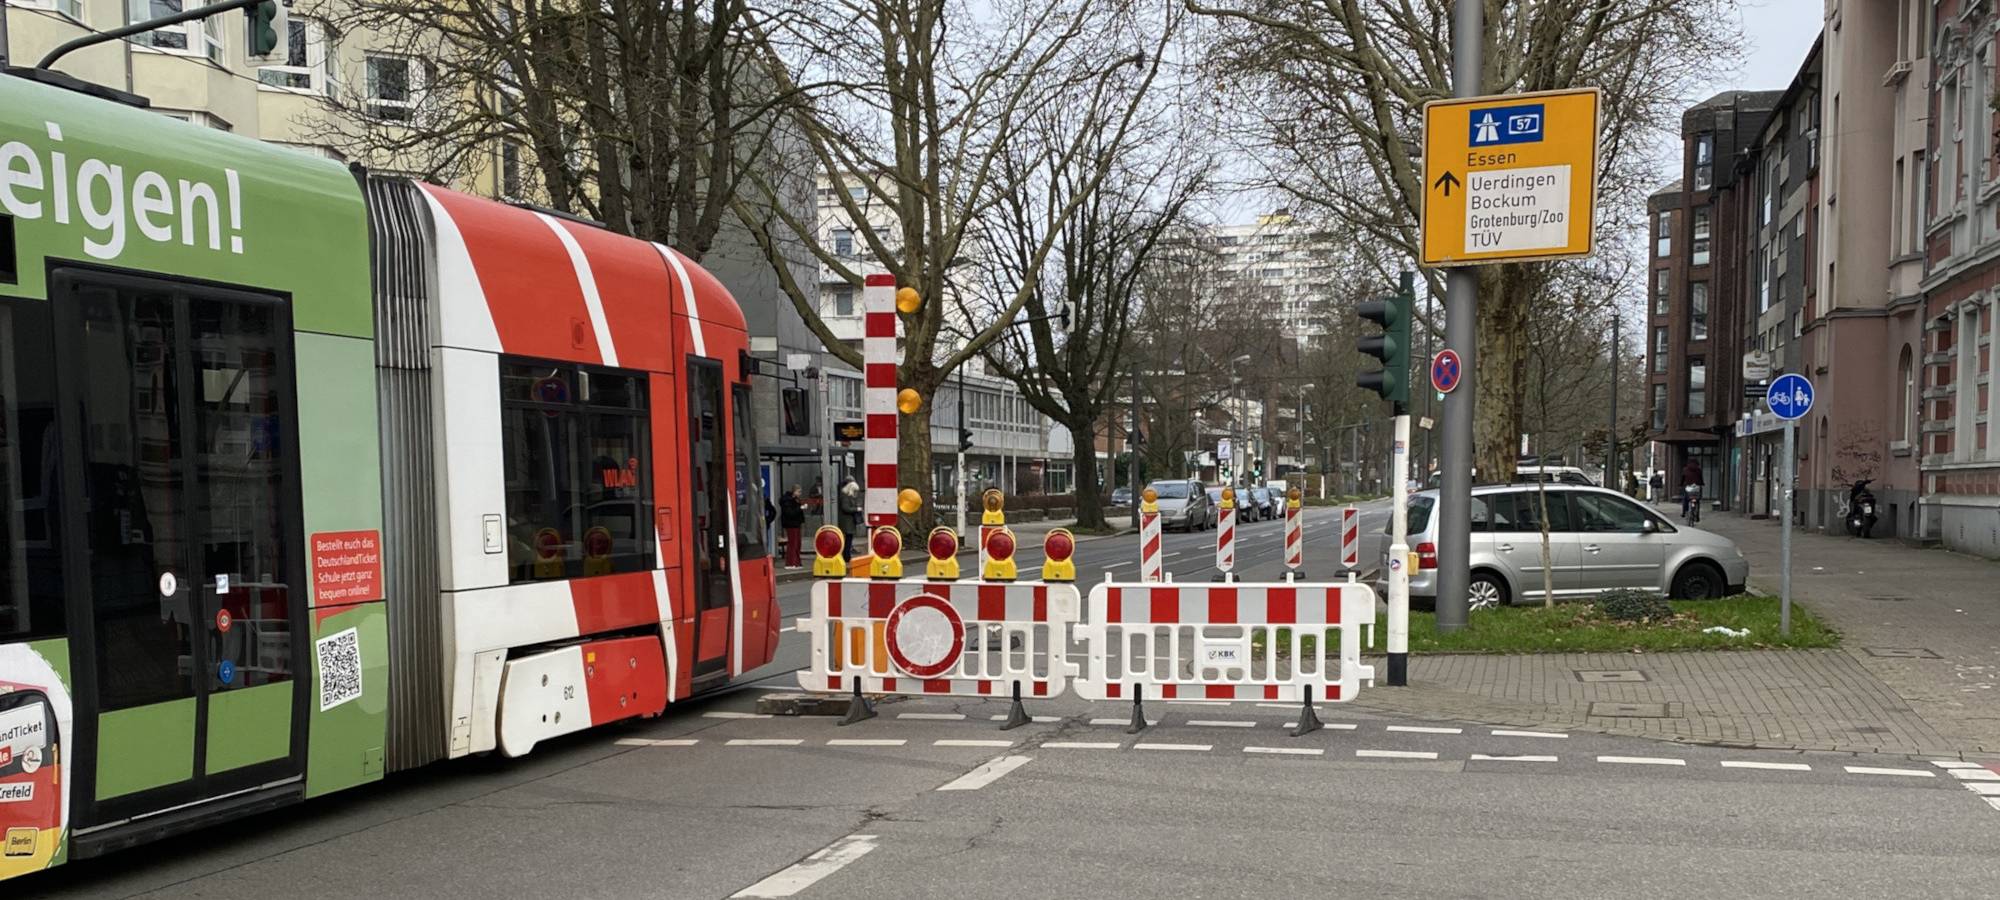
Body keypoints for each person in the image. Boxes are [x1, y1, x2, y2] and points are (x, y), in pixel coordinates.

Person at [779, 486, 807, 569]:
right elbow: (790, 513)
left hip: (796, 523)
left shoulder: (795, 500)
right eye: (798, 492)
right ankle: (790, 562)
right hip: (791, 524)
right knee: (792, 543)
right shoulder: (787, 500)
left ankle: (797, 562)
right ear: (794, 491)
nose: (800, 494)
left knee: (797, 543)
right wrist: (800, 508)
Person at [838, 478, 863, 554]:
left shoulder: (847, 496)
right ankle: (846, 555)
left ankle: (847, 554)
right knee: (848, 539)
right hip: (847, 521)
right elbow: (846, 508)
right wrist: (856, 509)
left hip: (849, 521)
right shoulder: (845, 497)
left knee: (849, 539)